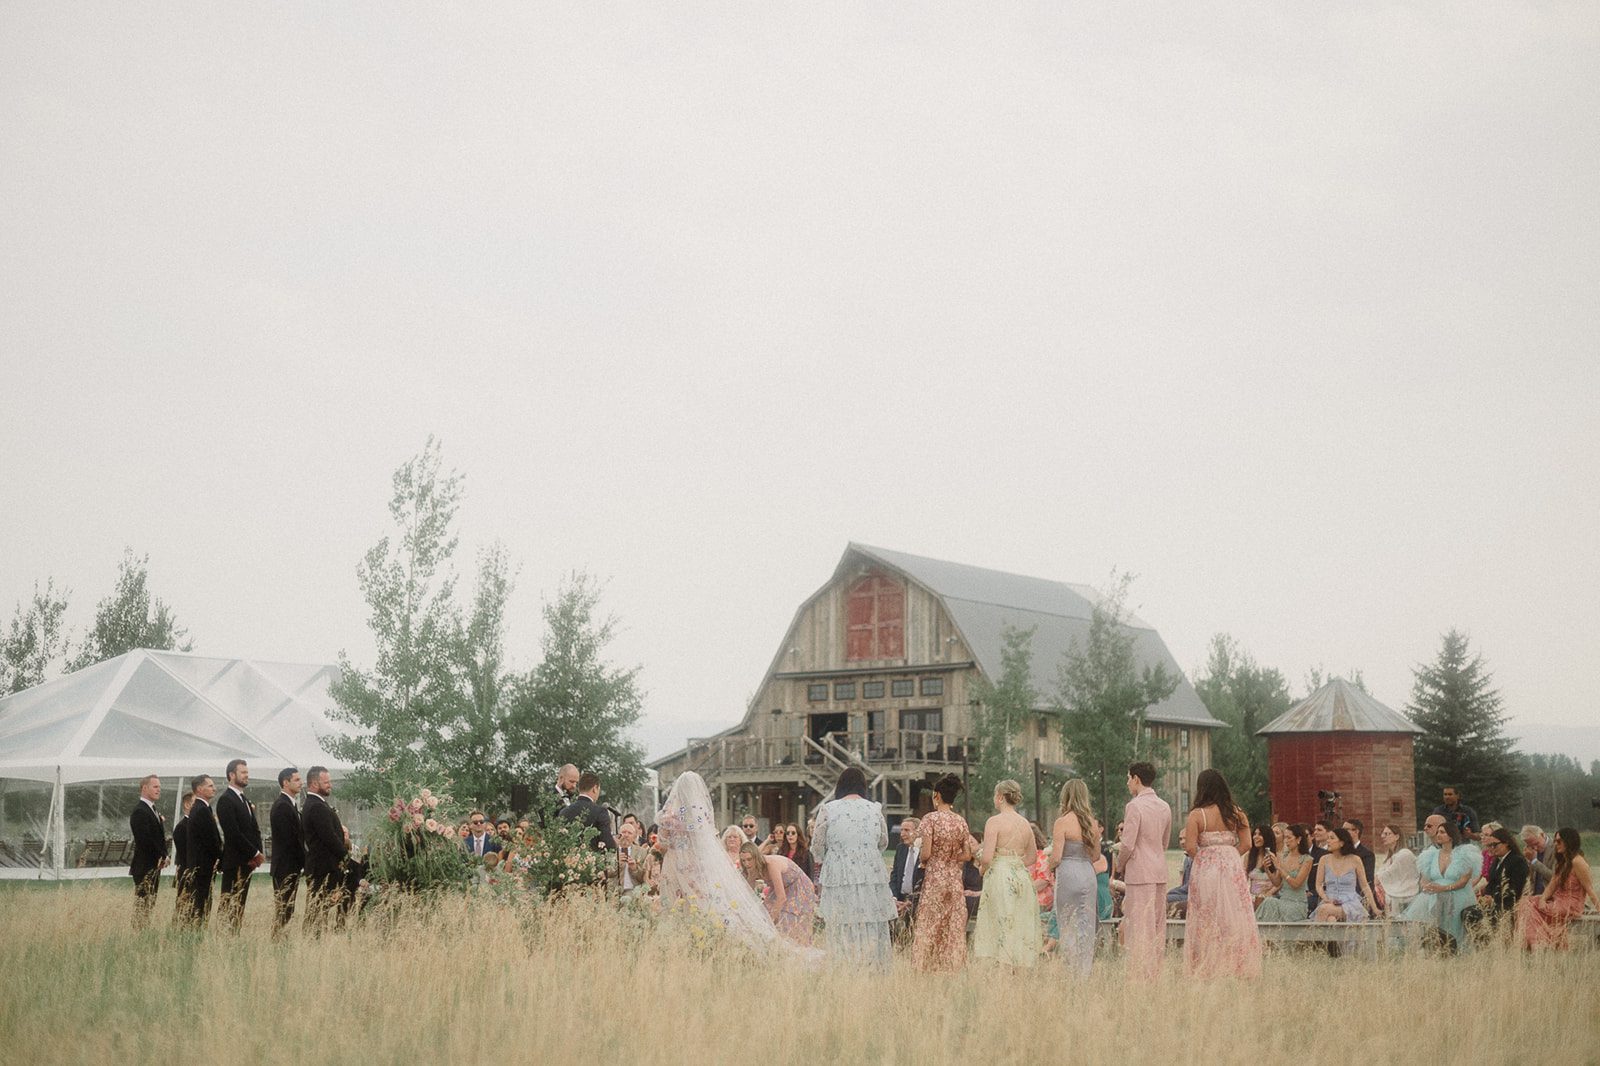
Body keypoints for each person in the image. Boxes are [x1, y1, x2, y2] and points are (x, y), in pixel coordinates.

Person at [653, 772, 800, 956]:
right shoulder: (702, 815)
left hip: (675, 864)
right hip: (697, 866)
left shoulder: (670, 816)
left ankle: (677, 948)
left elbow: (663, 841)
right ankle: (703, 945)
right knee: (699, 903)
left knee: (675, 905)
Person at [1182, 768, 1261, 978]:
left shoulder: (1197, 815)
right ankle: (1237, 964)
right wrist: (1230, 856)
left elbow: (1190, 846)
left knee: (1206, 915)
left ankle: (1208, 966)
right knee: (1235, 914)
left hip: (1206, 866)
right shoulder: (1236, 813)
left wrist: (1207, 857)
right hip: (1231, 866)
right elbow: (1247, 843)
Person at [812, 767, 896, 964]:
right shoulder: (874, 809)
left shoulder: (828, 809)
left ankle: (844, 967)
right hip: (870, 873)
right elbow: (883, 842)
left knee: (841, 922)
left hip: (839, 874)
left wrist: (830, 855)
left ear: (840, 786)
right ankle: (873, 966)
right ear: (863, 787)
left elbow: (817, 845)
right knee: (871, 921)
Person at [972, 779, 1042, 968]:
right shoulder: (1025, 823)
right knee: (1018, 922)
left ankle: (1002, 966)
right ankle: (1017, 967)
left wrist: (983, 868)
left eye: (996, 795)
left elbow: (986, 857)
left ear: (1001, 797)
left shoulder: (994, 822)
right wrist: (1015, 863)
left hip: (1001, 875)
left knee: (1001, 921)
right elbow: (1032, 857)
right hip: (1020, 875)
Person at [912, 774, 973, 973]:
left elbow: (926, 853)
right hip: (954, 879)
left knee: (930, 923)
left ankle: (926, 967)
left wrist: (926, 859)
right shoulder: (961, 821)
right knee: (952, 925)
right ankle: (951, 968)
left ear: (936, 795)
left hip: (935, 878)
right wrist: (951, 857)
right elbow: (967, 854)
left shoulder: (930, 819)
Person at [1117, 761, 1173, 981]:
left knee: (1140, 925)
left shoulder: (1134, 806)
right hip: (1159, 870)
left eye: (1129, 778)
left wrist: (1120, 864)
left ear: (1136, 779)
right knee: (1157, 925)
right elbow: (1165, 842)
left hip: (1139, 873)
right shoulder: (1165, 806)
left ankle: (1139, 974)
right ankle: (1155, 973)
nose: (1128, 782)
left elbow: (1128, 844)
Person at [1400, 815, 1476, 953]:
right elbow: (1424, 877)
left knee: (1455, 927)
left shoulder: (1464, 853)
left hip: (1458, 896)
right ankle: (1438, 951)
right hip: (1436, 896)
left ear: (1451, 835)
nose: (1438, 835)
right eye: (1438, 832)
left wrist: (1445, 888)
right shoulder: (1431, 855)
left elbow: (1464, 880)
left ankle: (1460, 953)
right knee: (1436, 926)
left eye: (1442, 832)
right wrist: (1426, 886)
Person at [1050, 778, 1101, 977]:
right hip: (1087, 874)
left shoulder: (1062, 822)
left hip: (1068, 873)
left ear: (1066, 797)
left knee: (1067, 923)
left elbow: (1056, 856)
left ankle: (1071, 972)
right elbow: (1095, 856)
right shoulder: (1092, 823)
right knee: (1086, 924)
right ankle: (1084, 974)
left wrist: (1048, 864)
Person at [1518, 828, 1600, 950]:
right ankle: (1537, 943)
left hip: (1571, 904)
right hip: (1557, 900)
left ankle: (1538, 944)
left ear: (1569, 842)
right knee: (1525, 902)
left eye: (1559, 841)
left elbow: (1590, 890)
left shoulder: (1578, 862)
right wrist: (1543, 899)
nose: (1555, 844)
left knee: (1529, 907)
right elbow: (1552, 885)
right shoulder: (1562, 862)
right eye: (1555, 841)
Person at [738, 841, 818, 947]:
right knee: (764, 911)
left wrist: (770, 923)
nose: (747, 864)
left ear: (756, 857)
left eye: (749, 859)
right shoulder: (750, 869)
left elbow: (781, 897)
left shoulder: (771, 865)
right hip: (782, 888)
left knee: (787, 919)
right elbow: (747, 894)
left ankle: (796, 951)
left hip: (798, 886)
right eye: (743, 860)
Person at [216, 758, 264, 933]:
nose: (246, 775)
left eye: (247, 772)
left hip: (247, 861)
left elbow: (254, 829)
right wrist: (253, 853)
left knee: (239, 904)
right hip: (234, 861)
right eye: (243, 772)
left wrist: (258, 852)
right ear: (231, 775)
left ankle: (233, 935)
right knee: (229, 902)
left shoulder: (244, 799)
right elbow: (233, 833)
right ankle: (223, 936)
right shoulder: (226, 800)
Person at [301, 765, 350, 935]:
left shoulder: (317, 804)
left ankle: (314, 939)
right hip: (322, 867)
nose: (330, 785)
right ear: (314, 784)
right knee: (317, 908)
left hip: (323, 865)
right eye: (326, 782)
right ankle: (312, 941)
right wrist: (347, 857)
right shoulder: (316, 806)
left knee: (319, 907)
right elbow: (329, 837)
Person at [1464, 826, 1528, 942]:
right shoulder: (1497, 860)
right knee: (1467, 912)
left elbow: (1514, 889)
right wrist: (1485, 897)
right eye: (1490, 845)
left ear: (1506, 843)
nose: (1492, 848)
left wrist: (1493, 899)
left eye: (1495, 845)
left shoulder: (1517, 861)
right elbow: (1491, 884)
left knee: (1473, 914)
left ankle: (1486, 943)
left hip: (1507, 904)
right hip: (1494, 901)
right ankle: (1482, 944)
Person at [1312, 827, 1378, 925]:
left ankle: (1316, 939)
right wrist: (1325, 898)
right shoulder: (1324, 859)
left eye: (1332, 838)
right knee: (1331, 920)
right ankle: (1331, 940)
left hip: (1350, 902)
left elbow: (1365, 886)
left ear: (1342, 843)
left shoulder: (1355, 859)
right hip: (1330, 900)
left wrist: (1375, 909)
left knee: (1323, 910)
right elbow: (1318, 884)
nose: (1328, 841)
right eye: (1328, 838)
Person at [128, 774, 168, 930]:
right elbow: (145, 840)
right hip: (144, 866)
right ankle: (138, 932)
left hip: (154, 865)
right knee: (143, 903)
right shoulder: (140, 811)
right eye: (155, 786)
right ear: (144, 788)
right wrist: (161, 855)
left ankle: (144, 930)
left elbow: (159, 837)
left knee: (150, 903)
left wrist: (165, 855)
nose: (159, 790)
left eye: (159, 787)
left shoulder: (152, 809)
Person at [270, 767, 305, 938]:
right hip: (285, 865)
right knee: (284, 906)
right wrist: (305, 861)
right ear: (286, 782)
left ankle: (282, 937)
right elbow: (289, 840)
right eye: (297, 780)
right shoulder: (282, 806)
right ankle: (278, 938)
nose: (301, 783)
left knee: (288, 907)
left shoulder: (290, 804)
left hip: (291, 865)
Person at [186, 774, 223, 927]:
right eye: (210, 786)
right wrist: (220, 858)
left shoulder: (203, 808)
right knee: (201, 901)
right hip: (202, 865)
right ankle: (198, 929)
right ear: (200, 789)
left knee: (203, 900)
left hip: (203, 864)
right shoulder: (201, 810)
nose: (214, 788)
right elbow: (210, 840)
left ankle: (199, 927)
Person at [1256, 824, 1313, 922]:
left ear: (1298, 839)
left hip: (1297, 904)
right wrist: (1267, 869)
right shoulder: (1283, 857)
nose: (1286, 840)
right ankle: (1263, 934)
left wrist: (1279, 868)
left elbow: (1296, 884)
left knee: (1271, 903)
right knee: (1269, 902)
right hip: (1283, 900)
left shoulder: (1307, 859)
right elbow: (1277, 883)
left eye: (1289, 837)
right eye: (1285, 837)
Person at [559, 773, 619, 856]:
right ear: (595, 788)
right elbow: (608, 844)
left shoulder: (564, 812)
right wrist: (614, 843)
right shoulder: (600, 811)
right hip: (592, 864)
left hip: (568, 863)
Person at [1375, 824, 1419, 916]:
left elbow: (1385, 875)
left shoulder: (1404, 854)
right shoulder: (1389, 857)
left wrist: (1376, 880)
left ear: (1397, 836)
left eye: (1387, 834)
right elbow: (1378, 875)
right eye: (1383, 834)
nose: (1383, 836)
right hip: (1394, 890)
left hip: (1406, 891)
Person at [171, 789, 195, 920]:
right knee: (183, 904)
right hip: (186, 871)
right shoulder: (181, 827)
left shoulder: (195, 824)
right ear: (187, 804)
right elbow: (184, 853)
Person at [890, 817, 922, 904]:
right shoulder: (900, 848)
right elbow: (895, 875)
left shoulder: (924, 852)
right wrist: (894, 897)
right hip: (900, 899)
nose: (902, 834)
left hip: (918, 901)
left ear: (917, 832)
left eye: (907, 830)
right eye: (901, 830)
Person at [1305, 820, 1332, 917]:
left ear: (1329, 833)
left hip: (1320, 892)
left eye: (1319, 830)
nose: (1315, 832)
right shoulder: (1314, 851)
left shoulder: (1331, 852)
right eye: (1315, 830)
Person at [1342, 818, 1376, 893]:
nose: (1342, 832)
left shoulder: (1367, 855)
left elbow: (1367, 880)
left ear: (1356, 832)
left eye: (1346, 830)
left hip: (1356, 895)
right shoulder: (1339, 852)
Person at [1247, 824, 1276, 908]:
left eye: (1260, 834)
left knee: (1262, 900)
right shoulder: (1249, 856)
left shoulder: (1275, 856)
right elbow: (1244, 879)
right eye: (1255, 834)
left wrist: (1268, 893)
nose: (1255, 837)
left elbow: (1279, 883)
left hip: (1270, 895)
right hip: (1252, 894)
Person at [1166, 827, 1192, 918]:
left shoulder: (1196, 857)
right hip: (1184, 893)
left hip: (1191, 895)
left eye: (1186, 838)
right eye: (1180, 839)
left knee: (1165, 898)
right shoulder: (1186, 858)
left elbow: (1189, 886)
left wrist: (1171, 892)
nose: (1182, 842)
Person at [1522, 824, 1555, 896]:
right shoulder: (1530, 852)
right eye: (1531, 846)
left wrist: (1534, 861)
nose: (1535, 848)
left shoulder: (1556, 849)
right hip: (1535, 898)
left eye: (1537, 843)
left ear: (1542, 835)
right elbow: (1531, 879)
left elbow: (1554, 877)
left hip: (1551, 898)